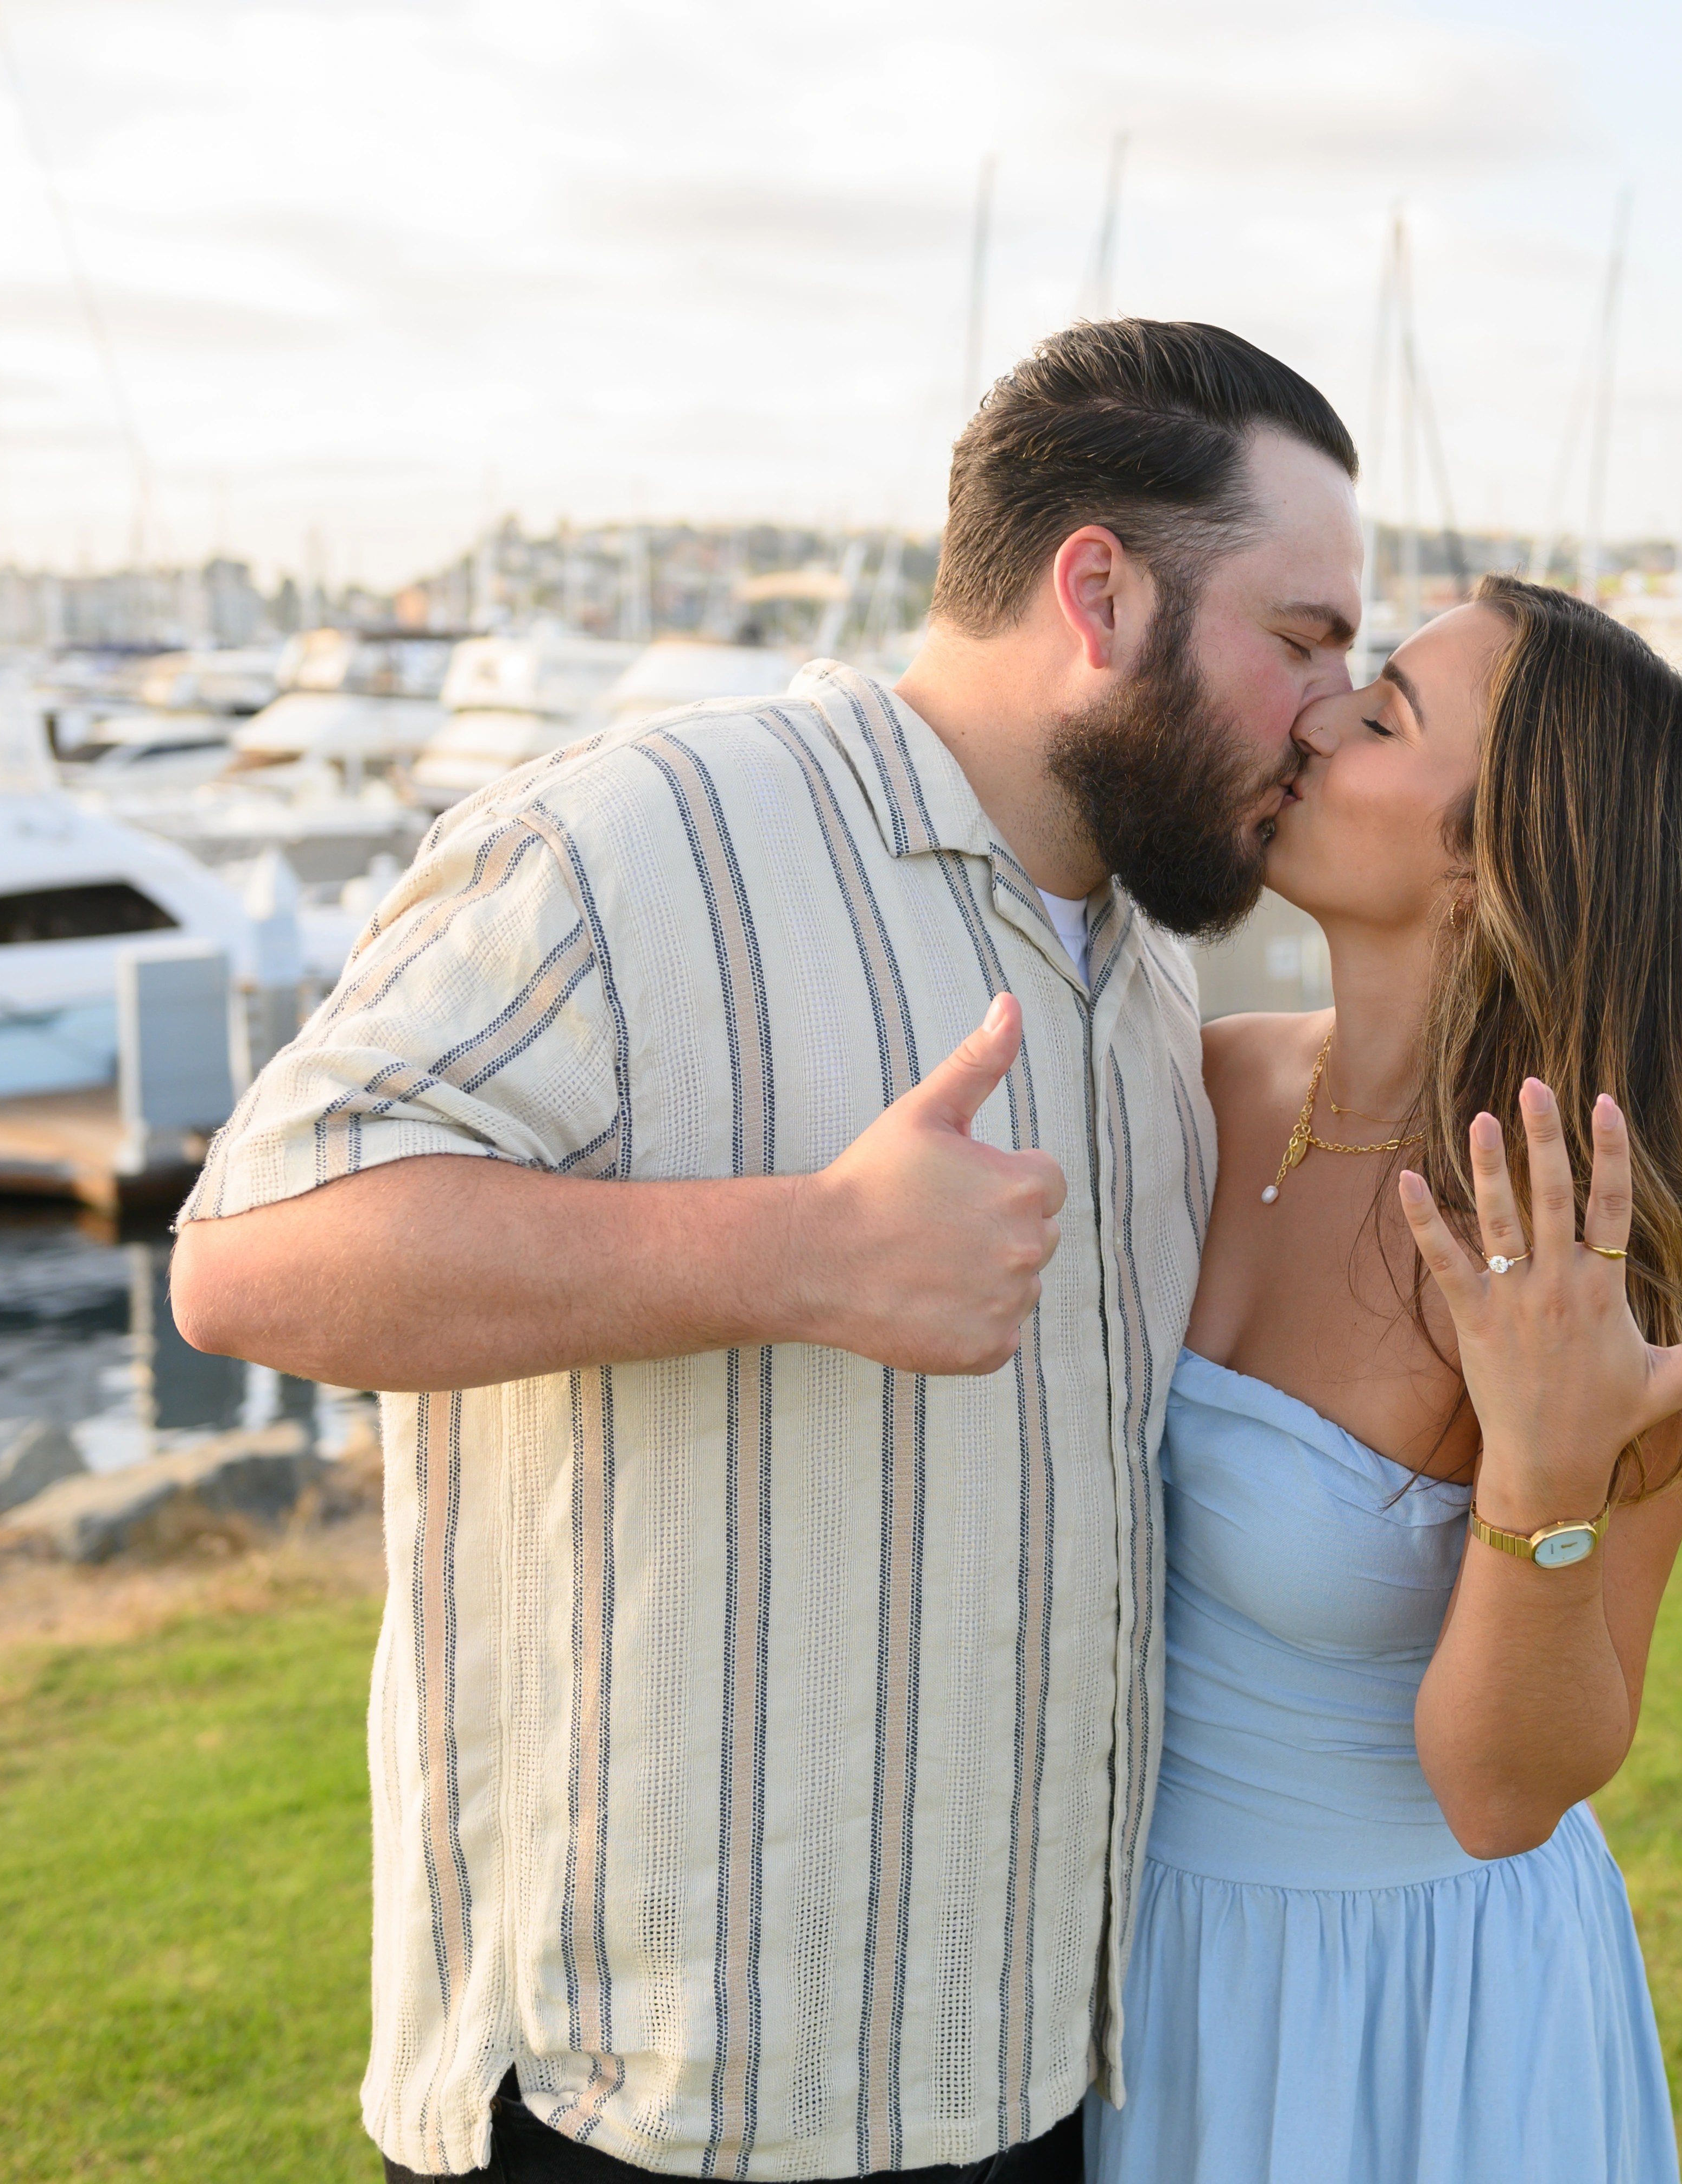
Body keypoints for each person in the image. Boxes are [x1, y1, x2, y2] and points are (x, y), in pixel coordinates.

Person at [168, 319, 1366, 2181]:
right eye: (1301, 639)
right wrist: (798, 1252)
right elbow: (250, 1255)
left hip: (1023, 2079)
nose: (1331, 712)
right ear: (1102, 596)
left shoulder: (1143, 972)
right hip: (640, 2109)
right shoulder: (637, 837)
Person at [1083, 575, 1682, 2182]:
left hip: (1414, 2017)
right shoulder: (1202, 1081)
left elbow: (1501, 1795)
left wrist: (1543, 1468)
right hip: (1142, 1971)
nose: (1315, 717)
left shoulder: (1584, 1257)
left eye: (1386, 714)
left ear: (1494, 864)